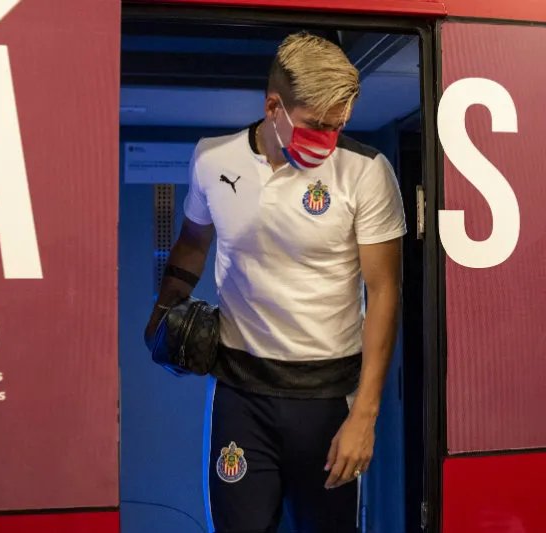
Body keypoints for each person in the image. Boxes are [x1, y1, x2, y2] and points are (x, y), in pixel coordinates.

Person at [144, 31, 406, 533]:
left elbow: (385, 290)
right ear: (273, 107)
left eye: (338, 126)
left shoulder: (366, 172)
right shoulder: (212, 160)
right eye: (316, 125)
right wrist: (161, 316)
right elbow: (194, 242)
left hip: (329, 398)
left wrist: (366, 416)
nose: (328, 139)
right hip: (241, 394)